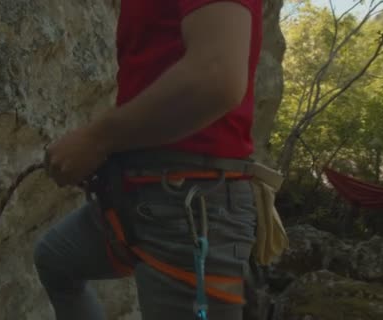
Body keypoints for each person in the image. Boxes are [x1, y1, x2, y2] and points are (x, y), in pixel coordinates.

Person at [34, 1, 270, 319]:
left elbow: (217, 75)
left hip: (193, 206)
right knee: (56, 259)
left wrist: (96, 141)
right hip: (141, 194)